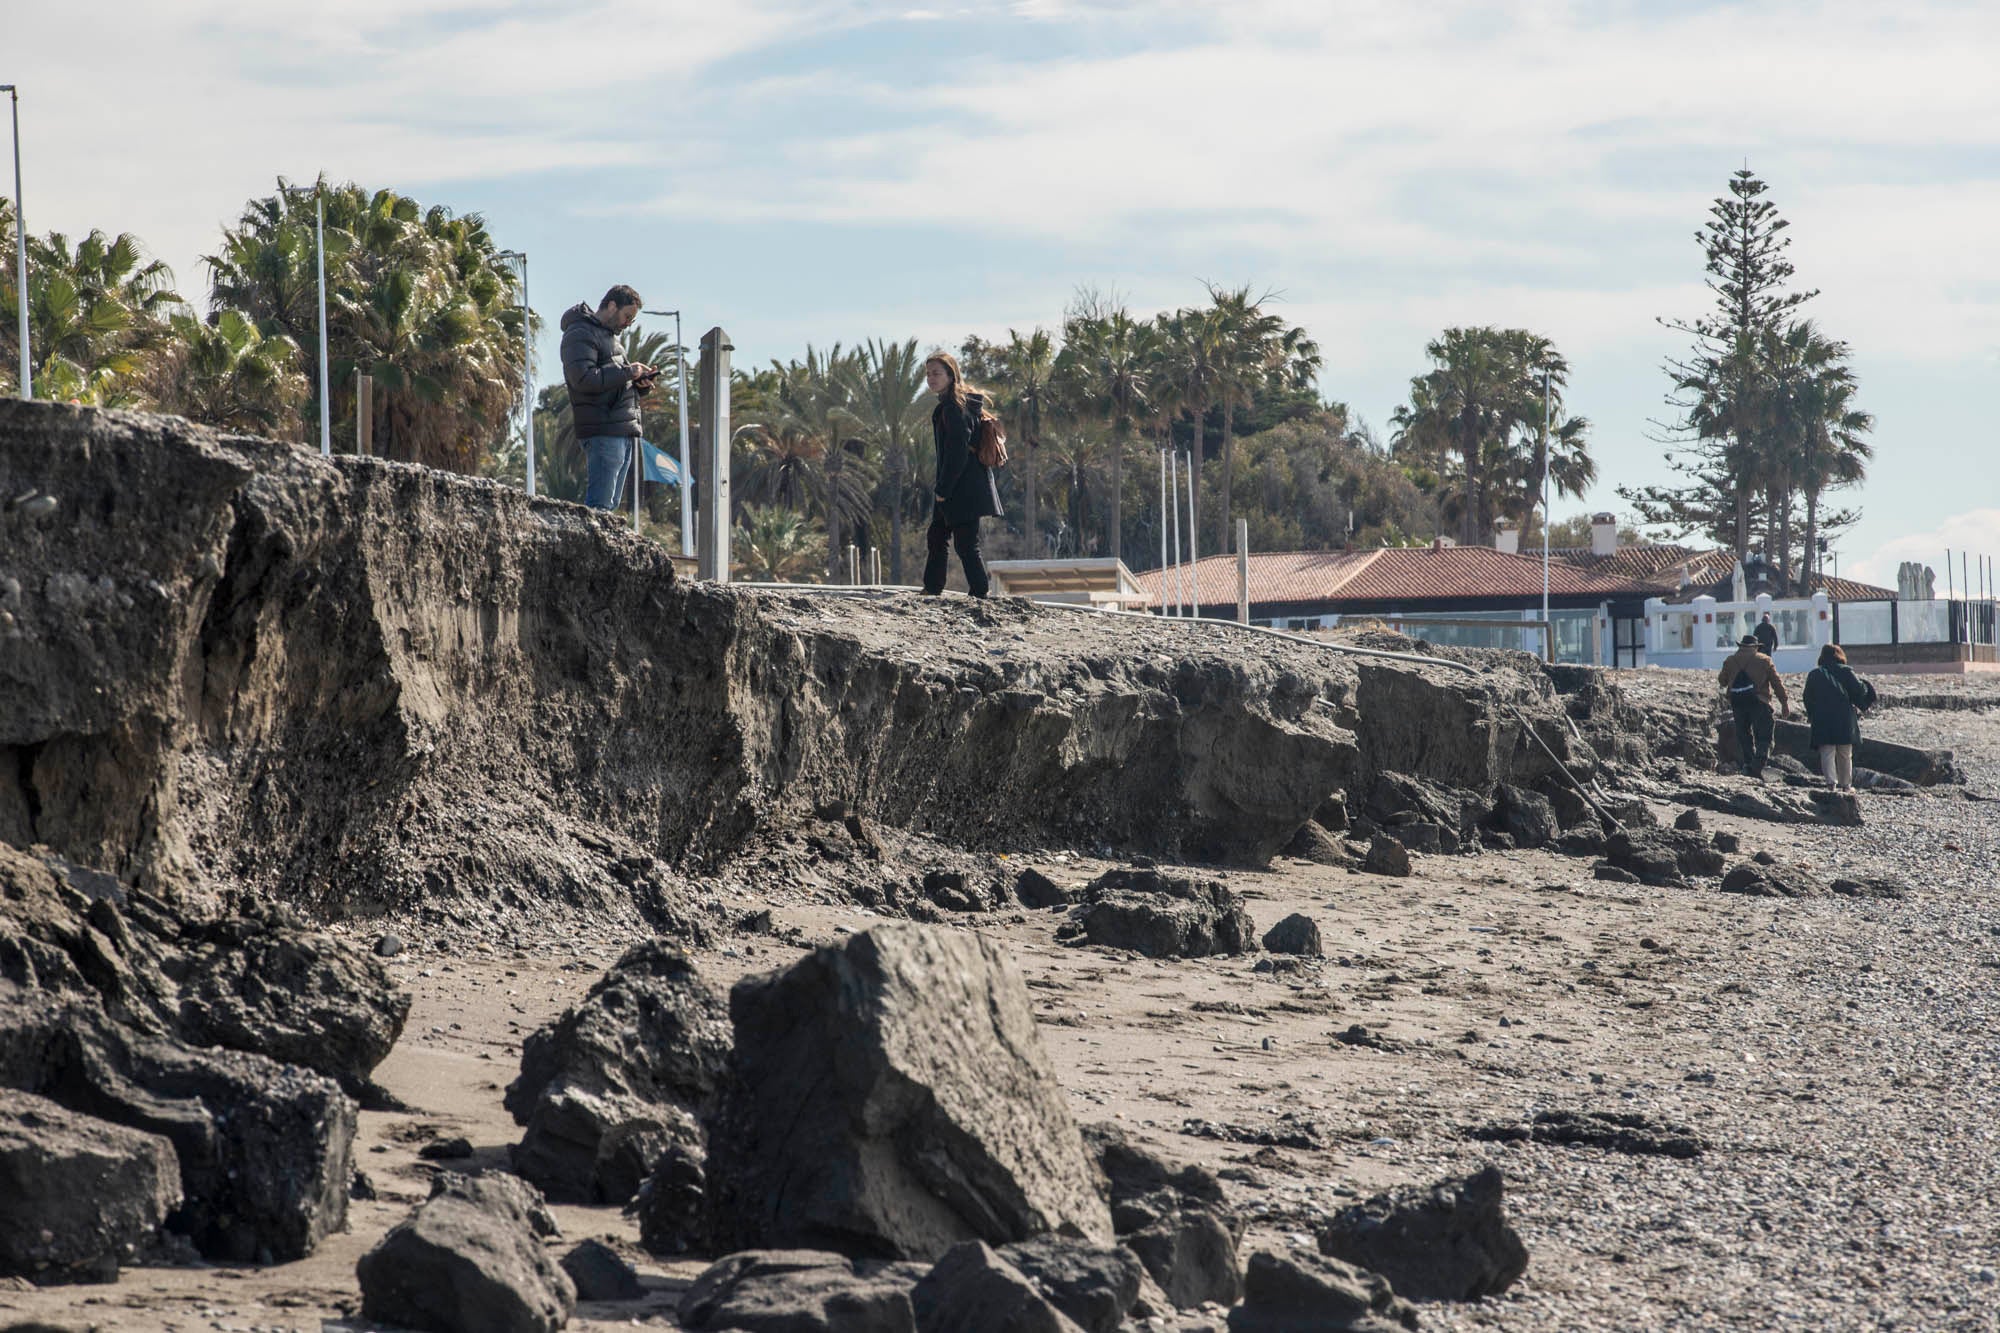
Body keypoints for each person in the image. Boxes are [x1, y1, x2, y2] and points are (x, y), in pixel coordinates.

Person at [560, 285, 657, 511]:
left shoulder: (611, 340)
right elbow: (582, 379)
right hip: (603, 431)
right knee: (600, 507)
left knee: (608, 508)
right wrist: (628, 372)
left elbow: (613, 383)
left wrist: (639, 385)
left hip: (621, 431)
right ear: (612, 306)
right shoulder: (580, 333)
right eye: (627, 317)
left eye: (632, 320)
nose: (627, 323)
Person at [920, 351, 1002, 598]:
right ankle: (933, 587)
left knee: (965, 543)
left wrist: (943, 489)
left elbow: (957, 452)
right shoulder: (953, 406)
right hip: (959, 485)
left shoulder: (954, 408)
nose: (931, 379)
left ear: (950, 375)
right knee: (937, 536)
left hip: (962, 487)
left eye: (936, 373)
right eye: (928, 374)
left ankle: (979, 592)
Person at [1802, 643, 1877, 790]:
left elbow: (1807, 697)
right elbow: (1860, 691)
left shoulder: (1815, 674)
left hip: (1822, 718)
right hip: (1844, 718)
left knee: (1827, 752)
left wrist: (1811, 714)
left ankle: (1831, 783)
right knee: (1844, 753)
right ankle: (1846, 785)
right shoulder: (1847, 672)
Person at [1717, 633, 1791, 778]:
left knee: (1744, 735)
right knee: (1764, 737)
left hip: (1738, 703)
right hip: (1760, 702)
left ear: (1741, 646)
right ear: (1756, 647)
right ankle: (1757, 766)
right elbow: (1776, 683)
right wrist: (1784, 702)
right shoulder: (1765, 660)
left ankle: (1748, 764)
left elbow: (1722, 681)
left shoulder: (1731, 660)